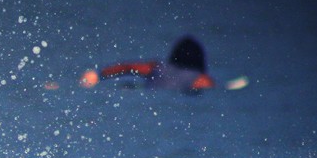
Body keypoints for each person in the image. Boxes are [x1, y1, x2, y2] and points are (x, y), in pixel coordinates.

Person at [80, 35, 216, 92]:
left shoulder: (157, 67)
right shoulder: (202, 79)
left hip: (147, 91)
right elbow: (208, 87)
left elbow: (128, 67)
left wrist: (99, 75)